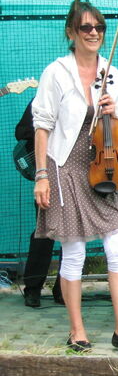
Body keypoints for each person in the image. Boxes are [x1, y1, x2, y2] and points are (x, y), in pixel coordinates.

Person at [32, 0, 118, 354]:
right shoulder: (56, 72)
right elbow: (42, 125)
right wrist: (41, 175)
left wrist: (114, 112)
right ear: (72, 32)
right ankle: (77, 331)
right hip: (65, 166)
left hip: (104, 164)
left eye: (99, 27)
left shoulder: (112, 73)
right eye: (86, 27)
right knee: (75, 251)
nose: (94, 32)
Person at [15, 100, 64, 308]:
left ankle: (63, 290)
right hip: (48, 175)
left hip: (75, 172)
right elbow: (21, 131)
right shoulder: (41, 99)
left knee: (74, 236)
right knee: (44, 232)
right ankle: (33, 289)